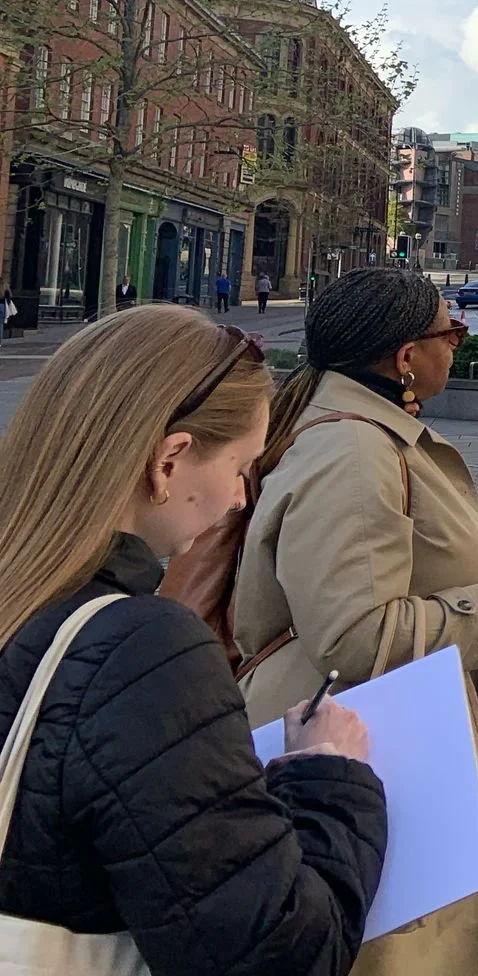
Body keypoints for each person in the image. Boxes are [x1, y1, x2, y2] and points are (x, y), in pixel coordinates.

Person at [0, 305, 389, 973]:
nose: (241, 498)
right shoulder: (141, 653)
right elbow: (280, 954)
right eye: (240, 467)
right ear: (169, 460)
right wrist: (329, 775)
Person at [232, 267, 478, 976]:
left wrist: (470, 565)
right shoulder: (355, 452)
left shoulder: (361, 429)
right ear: (406, 357)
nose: (457, 345)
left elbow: (371, 565)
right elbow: (354, 637)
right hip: (364, 749)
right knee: (397, 952)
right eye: (451, 330)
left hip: (373, 736)